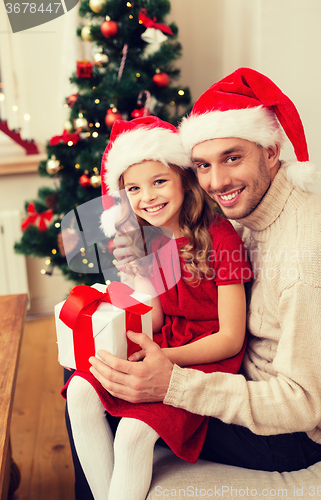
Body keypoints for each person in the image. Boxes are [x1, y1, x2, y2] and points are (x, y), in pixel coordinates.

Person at [88, 68, 321, 474]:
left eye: (232, 158)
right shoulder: (242, 217)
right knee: (90, 366)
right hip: (239, 375)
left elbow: (300, 404)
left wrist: (172, 383)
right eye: (202, 165)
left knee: (110, 398)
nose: (216, 182)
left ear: (271, 151)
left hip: (291, 434)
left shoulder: (312, 247)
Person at [62, 116, 252, 500]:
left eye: (159, 181)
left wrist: (164, 358)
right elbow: (158, 317)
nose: (147, 196)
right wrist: (134, 278)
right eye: (134, 188)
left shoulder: (221, 237)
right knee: (81, 389)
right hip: (164, 340)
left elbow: (231, 338)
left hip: (204, 356)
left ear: (183, 178)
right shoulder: (147, 237)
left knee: (133, 433)